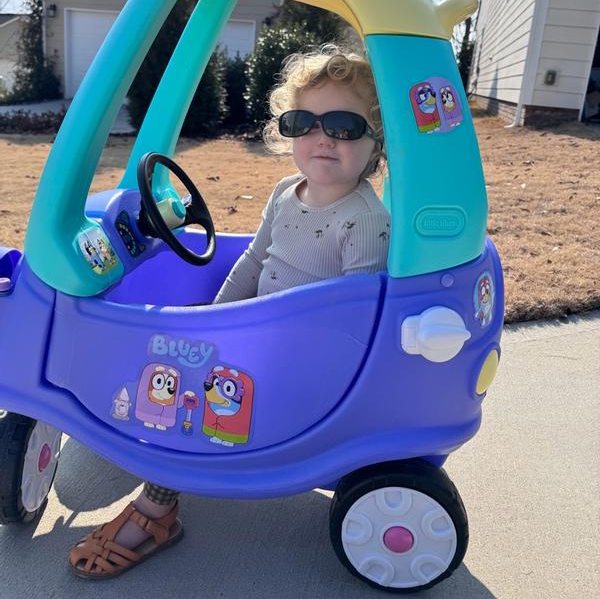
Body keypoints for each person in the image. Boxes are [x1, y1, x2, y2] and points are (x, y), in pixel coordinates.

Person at [68, 45, 390, 579]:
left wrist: (250, 339)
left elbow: (352, 317)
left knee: (186, 402)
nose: (321, 137)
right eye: (303, 122)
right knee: (177, 336)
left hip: (300, 364)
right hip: (252, 337)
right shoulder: (287, 192)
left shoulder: (363, 218)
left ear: (377, 140)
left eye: (342, 124)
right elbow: (255, 259)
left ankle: (158, 508)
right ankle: (132, 421)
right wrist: (216, 318)